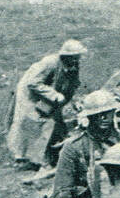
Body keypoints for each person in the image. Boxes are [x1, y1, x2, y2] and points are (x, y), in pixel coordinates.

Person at [7, 39, 86, 174]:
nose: (77, 60)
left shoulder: (73, 66)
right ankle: (27, 159)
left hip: (48, 95)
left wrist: (74, 102)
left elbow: (71, 85)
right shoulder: (50, 63)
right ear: (66, 56)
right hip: (30, 94)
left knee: (56, 122)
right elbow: (33, 82)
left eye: (78, 56)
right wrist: (54, 95)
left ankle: (52, 155)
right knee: (34, 123)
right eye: (74, 56)